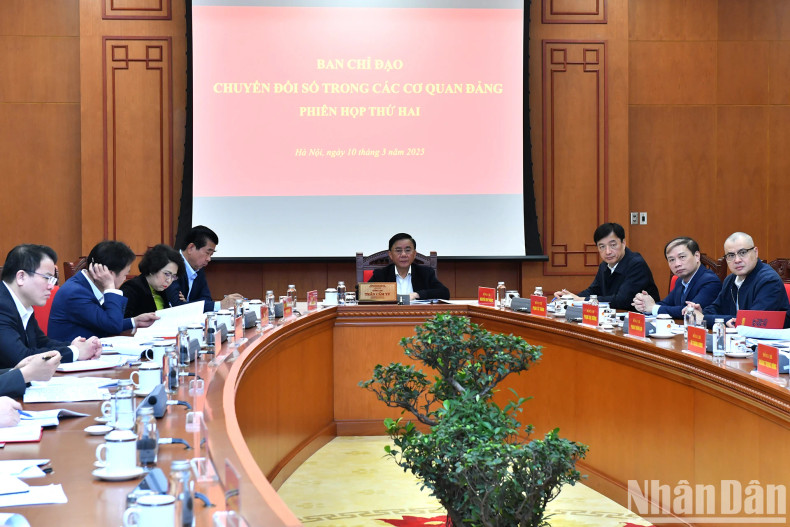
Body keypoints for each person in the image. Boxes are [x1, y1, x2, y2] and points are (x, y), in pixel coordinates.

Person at [0, 244, 101, 368]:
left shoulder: (22, 305)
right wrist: (76, 352)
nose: (51, 286)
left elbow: (42, 342)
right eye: (47, 278)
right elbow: (21, 358)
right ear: (21, 277)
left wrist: (74, 346)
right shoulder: (2, 306)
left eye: (52, 280)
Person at [48, 241, 158, 342]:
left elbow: (103, 322)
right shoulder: (75, 293)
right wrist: (110, 287)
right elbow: (112, 325)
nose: (125, 278)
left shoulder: (86, 285)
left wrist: (135, 321)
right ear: (108, 273)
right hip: (71, 359)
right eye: (125, 274)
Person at [690, 232, 790, 328]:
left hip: (768, 343)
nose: (737, 260)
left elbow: (750, 322)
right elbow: (717, 308)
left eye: (743, 253)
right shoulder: (730, 279)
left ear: (755, 252)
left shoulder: (769, 280)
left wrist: (704, 318)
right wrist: (701, 312)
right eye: (731, 255)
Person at [553, 222, 660, 311]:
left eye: (613, 245)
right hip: (614, 318)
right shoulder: (604, 265)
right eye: (602, 247)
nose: (607, 252)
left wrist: (580, 300)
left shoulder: (636, 264)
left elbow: (621, 300)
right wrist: (569, 297)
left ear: (623, 243)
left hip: (641, 321)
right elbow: (593, 290)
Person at [632, 237, 721, 318]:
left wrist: (653, 308)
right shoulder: (680, 281)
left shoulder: (710, 281)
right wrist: (644, 304)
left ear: (697, 256)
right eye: (671, 260)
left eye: (682, 257)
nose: (677, 264)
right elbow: (666, 304)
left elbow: (689, 312)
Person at [166, 226, 242, 312]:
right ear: (191, 248)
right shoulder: (170, 266)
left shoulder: (198, 267)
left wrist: (187, 304)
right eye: (207, 253)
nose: (209, 259)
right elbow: (176, 307)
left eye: (211, 255)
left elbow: (206, 299)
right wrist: (219, 305)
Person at [368, 233, 450, 301]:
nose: (403, 254)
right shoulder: (381, 274)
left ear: (414, 254)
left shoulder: (425, 273)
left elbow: (444, 293)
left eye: (407, 250)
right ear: (390, 255)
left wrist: (417, 295)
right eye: (398, 250)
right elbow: (361, 294)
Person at [120, 244, 183, 318]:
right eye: (167, 274)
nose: (169, 280)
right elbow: (124, 322)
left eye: (173, 276)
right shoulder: (131, 288)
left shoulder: (165, 290)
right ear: (153, 269)